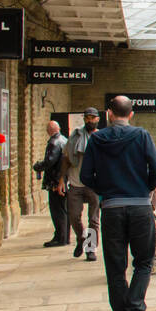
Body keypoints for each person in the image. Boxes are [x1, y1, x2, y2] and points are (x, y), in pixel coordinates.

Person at [81, 96, 156, 311]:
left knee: (116, 267)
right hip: (139, 207)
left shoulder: (97, 139)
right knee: (144, 261)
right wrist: (145, 188)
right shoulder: (141, 136)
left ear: (108, 114)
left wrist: (105, 191)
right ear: (131, 114)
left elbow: (86, 175)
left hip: (112, 208)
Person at [60, 107, 101, 262]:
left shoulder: (101, 138)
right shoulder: (75, 136)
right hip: (75, 182)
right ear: (84, 119)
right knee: (74, 216)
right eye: (87, 118)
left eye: (92, 118)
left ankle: (91, 249)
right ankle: (81, 238)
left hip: (93, 184)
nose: (90, 121)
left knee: (93, 219)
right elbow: (66, 158)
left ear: (97, 119)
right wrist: (61, 179)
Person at [33, 120, 68, 247]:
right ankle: (64, 236)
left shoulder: (54, 142)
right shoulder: (64, 140)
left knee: (57, 210)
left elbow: (50, 161)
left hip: (55, 181)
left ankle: (60, 237)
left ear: (49, 131)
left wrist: (38, 166)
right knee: (63, 210)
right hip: (63, 180)